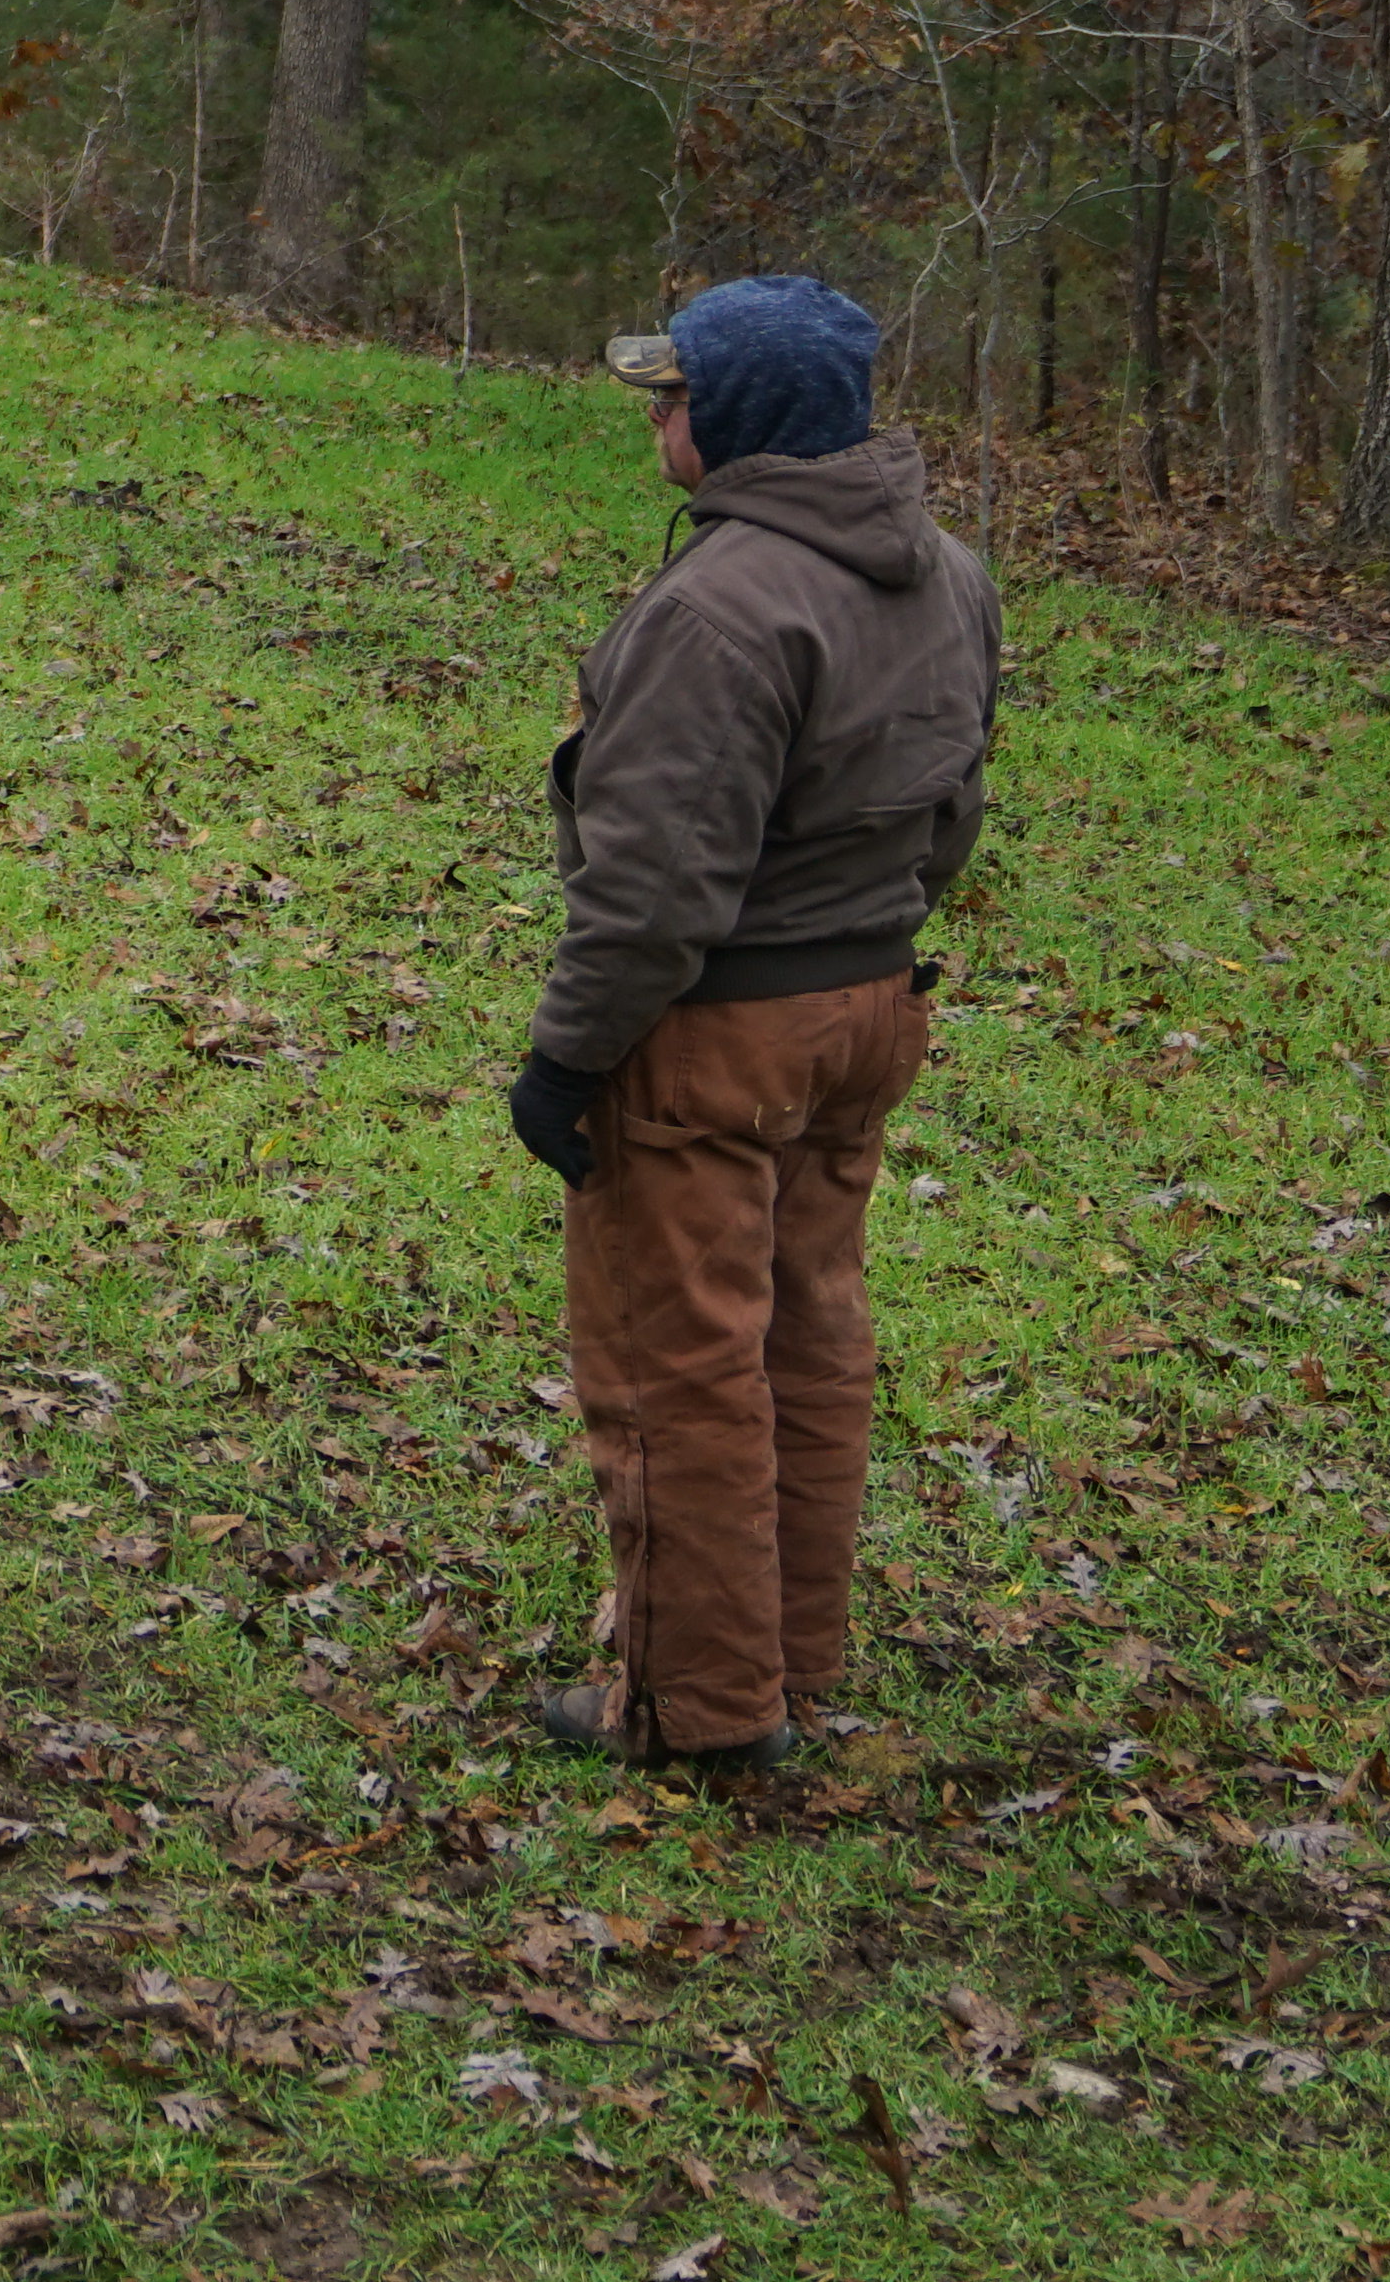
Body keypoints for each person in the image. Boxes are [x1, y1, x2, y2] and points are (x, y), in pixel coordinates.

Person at [503, 271, 997, 1772]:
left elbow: (651, 893)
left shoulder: (718, 612)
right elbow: (955, 812)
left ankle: (705, 1710)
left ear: (735, 424)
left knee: (682, 1368)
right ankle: (788, 1658)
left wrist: (567, 1057)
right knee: (808, 1339)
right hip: (865, 1018)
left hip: (716, 1040)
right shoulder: (952, 576)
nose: (658, 417)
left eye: (675, 396)